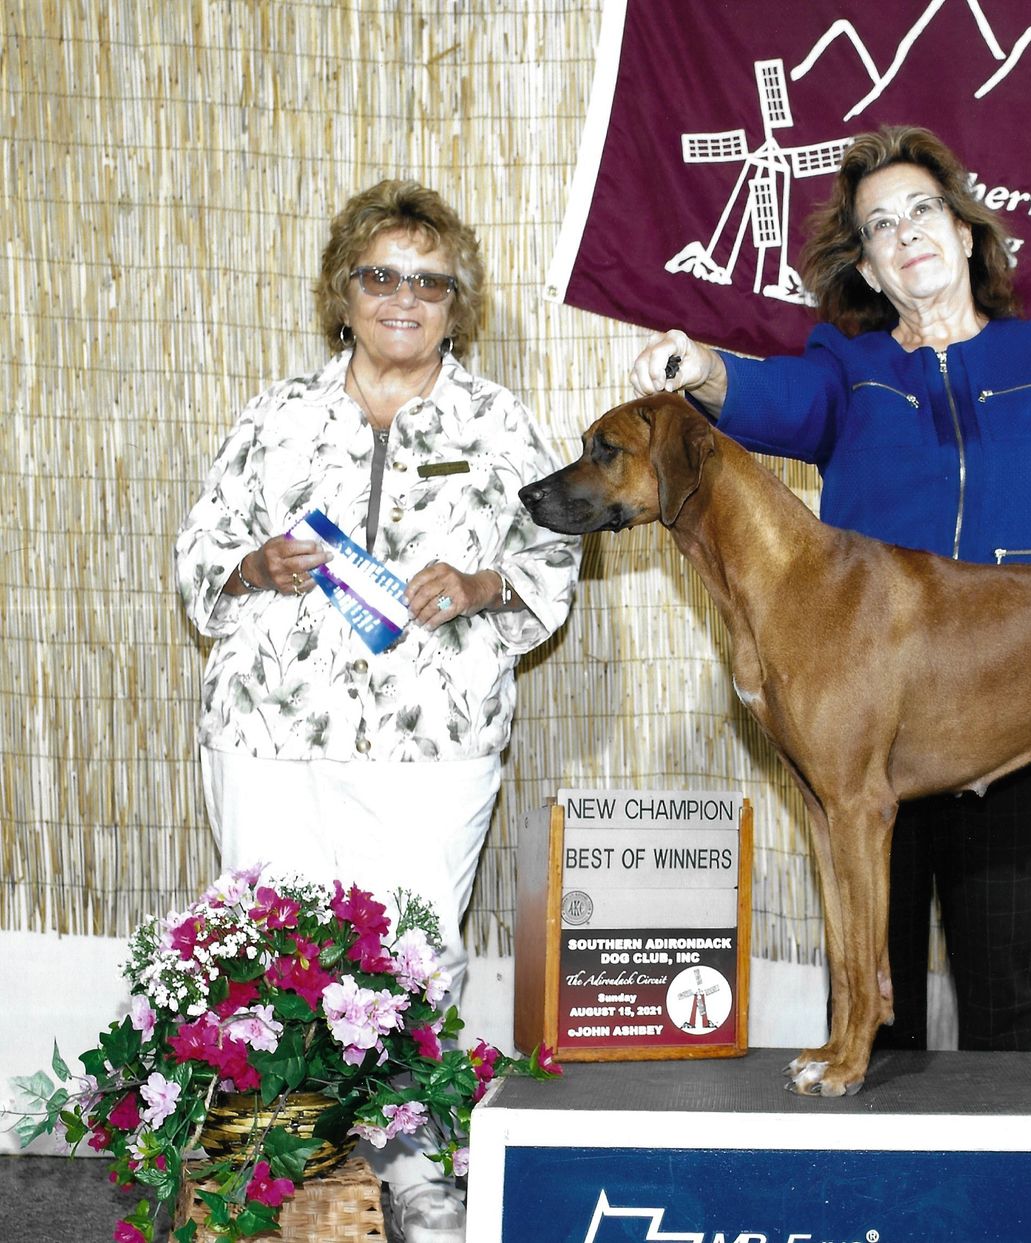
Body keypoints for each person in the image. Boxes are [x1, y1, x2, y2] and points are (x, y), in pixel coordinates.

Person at [630, 126, 1031, 1056]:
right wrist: (702, 368)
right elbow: (774, 397)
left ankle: (1018, 1154)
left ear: (966, 233)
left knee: (1007, 984)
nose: (906, 233)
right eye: (880, 225)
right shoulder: (846, 371)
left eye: (922, 209)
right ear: (869, 268)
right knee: (871, 976)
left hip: (1016, 699)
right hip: (868, 701)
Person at [175, 179, 579, 1243]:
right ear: (342, 292)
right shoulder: (277, 416)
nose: (405, 297)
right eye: (382, 275)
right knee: (266, 949)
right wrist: (253, 564)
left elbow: (552, 560)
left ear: (457, 304)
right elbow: (197, 555)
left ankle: (418, 1168)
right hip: (268, 732)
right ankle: (270, 1158)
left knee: (414, 951)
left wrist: (480, 584)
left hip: (433, 741)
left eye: (430, 282)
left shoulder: (498, 423)